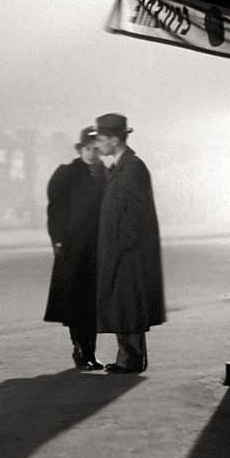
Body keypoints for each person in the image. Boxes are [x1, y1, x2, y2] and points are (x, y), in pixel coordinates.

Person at [93, 113, 166, 373]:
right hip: (121, 250)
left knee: (128, 305)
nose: (98, 145)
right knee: (122, 304)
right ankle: (126, 357)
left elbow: (136, 212)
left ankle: (131, 360)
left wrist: (121, 242)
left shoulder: (133, 167)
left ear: (114, 139)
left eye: (101, 139)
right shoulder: (121, 167)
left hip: (129, 252)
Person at [43, 126, 106, 370]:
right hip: (72, 247)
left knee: (93, 302)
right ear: (81, 149)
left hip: (97, 248)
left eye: (96, 150)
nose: (92, 154)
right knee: (75, 301)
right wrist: (57, 240)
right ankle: (80, 350)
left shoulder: (104, 175)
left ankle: (91, 352)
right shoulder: (66, 174)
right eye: (88, 149)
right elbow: (55, 210)